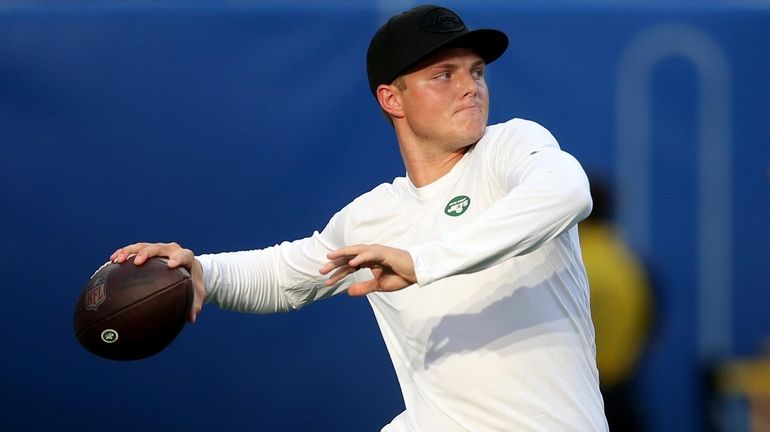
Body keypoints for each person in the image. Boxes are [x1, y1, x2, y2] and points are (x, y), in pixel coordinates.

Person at [111, 5, 608, 431]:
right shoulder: (374, 218)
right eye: (444, 75)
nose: (470, 87)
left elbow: (566, 192)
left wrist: (423, 261)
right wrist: (204, 271)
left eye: (476, 71)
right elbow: (287, 275)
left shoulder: (509, 147)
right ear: (392, 98)